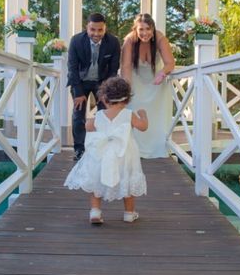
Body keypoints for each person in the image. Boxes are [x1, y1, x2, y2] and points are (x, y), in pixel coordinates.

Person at [64, 77, 148, 224]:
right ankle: (129, 213)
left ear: (104, 99)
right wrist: (143, 115)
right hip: (124, 154)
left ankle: (95, 212)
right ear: (127, 100)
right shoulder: (129, 115)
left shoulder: (99, 115)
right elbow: (143, 126)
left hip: (102, 153)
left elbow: (88, 126)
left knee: (97, 180)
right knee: (126, 180)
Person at [67, 13, 121, 162]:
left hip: (102, 82)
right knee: (78, 115)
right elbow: (72, 68)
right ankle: (79, 149)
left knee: (104, 115)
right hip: (80, 82)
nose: (96, 33)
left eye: (100, 30)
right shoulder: (76, 40)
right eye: (92, 29)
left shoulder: (113, 42)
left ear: (105, 28)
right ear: (87, 27)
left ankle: (102, 148)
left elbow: (113, 70)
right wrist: (78, 92)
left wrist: (106, 91)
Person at [120, 13, 175, 158]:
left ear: (153, 28)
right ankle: (135, 149)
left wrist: (162, 73)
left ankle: (157, 147)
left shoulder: (160, 38)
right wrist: (127, 90)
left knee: (156, 114)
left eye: (148, 29)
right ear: (135, 29)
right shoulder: (129, 41)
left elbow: (170, 63)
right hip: (135, 81)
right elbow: (125, 67)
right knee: (135, 109)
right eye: (141, 29)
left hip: (156, 82)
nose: (145, 33)